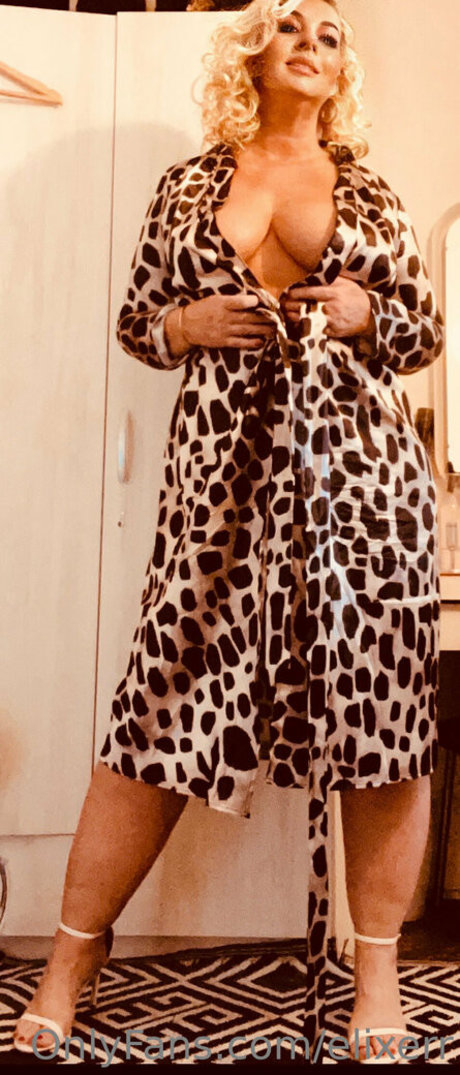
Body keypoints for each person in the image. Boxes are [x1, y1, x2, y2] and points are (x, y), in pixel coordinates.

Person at [14, 0, 443, 1063]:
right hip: (219, 495)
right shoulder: (191, 184)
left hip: (360, 490)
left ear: (342, 68)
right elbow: (137, 321)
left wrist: (367, 316)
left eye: (330, 34)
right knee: (156, 715)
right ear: (253, 50)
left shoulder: (372, 190)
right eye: (290, 26)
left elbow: (424, 332)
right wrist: (186, 323)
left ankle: (376, 973)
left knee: (381, 723)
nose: (311, 43)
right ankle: (70, 960)